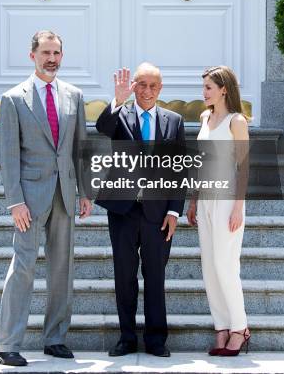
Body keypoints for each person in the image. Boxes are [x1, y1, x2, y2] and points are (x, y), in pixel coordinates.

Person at [0, 30, 92, 367]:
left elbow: (80, 148)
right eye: (46, 52)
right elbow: (8, 157)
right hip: (29, 200)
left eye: (57, 53)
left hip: (65, 195)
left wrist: (86, 191)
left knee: (62, 269)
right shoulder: (13, 99)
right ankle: (7, 344)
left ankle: (54, 339)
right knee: (22, 268)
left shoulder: (74, 96)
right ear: (32, 55)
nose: (52, 59)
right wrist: (15, 202)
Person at [95, 64, 185, 358]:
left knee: (155, 276)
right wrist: (118, 100)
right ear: (133, 85)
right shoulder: (120, 114)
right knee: (124, 275)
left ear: (161, 89)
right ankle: (127, 337)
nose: (147, 91)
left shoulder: (174, 120)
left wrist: (174, 212)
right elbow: (102, 127)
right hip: (123, 209)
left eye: (153, 86)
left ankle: (156, 339)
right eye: (142, 85)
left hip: (158, 213)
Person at [187, 65, 251, 357]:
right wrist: (194, 200)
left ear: (224, 89)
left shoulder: (237, 121)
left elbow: (245, 167)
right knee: (210, 267)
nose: (204, 93)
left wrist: (238, 206)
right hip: (206, 199)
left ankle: (240, 328)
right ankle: (221, 328)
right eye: (203, 88)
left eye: (209, 88)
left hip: (228, 201)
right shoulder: (204, 117)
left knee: (226, 266)